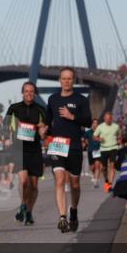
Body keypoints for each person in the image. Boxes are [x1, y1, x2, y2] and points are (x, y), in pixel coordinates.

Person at [45, 68, 92, 233]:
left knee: (75, 184)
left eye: (69, 79)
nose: (66, 81)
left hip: (74, 146)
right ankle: (62, 217)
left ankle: (73, 210)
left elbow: (87, 121)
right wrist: (43, 129)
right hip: (58, 144)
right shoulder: (52, 99)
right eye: (64, 79)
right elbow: (47, 122)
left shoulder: (81, 100)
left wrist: (72, 116)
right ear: (59, 80)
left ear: (73, 81)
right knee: (59, 180)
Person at [5, 81, 47, 226]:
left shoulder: (41, 110)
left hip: (34, 149)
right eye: (26, 91)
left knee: (34, 185)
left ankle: (29, 211)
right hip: (19, 148)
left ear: (35, 94)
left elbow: (45, 129)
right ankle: (23, 204)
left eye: (31, 91)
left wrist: (43, 130)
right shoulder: (14, 108)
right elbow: (5, 125)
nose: (29, 94)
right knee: (24, 181)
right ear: (22, 93)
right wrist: (7, 136)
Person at [93, 111, 122, 192]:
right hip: (103, 149)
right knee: (104, 168)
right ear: (104, 119)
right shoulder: (100, 127)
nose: (108, 120)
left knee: (112, 166)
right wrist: (99, 139)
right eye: (106, 119)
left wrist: (119, 140)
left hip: (113, 148)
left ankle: (109, 184)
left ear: (111, 118)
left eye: (109, 119)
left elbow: (119, 135)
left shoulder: (116, 126)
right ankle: (106, 180)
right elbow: (94, 136)